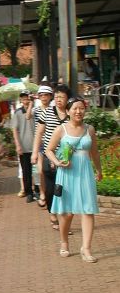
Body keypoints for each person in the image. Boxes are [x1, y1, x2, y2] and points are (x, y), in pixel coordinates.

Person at [45, 95, 102, 261]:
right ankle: (64, 242)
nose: (78, 111)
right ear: (68, 111)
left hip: (85, 173)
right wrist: (57, 162)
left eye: (81, 108)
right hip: (66, 173)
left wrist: (98, 170)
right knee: (66, 213)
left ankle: (86, 248)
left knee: (88, 210)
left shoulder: (89, 129)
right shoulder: (61, 129)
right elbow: (48, 149)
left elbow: (95, 152)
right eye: (75, 108)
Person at [32, 82, 71, 230]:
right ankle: (52, 213)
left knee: (64, 189)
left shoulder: (71, 114)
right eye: (57, 97)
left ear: (68, 99)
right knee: (50, 189)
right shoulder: (47, 112)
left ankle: (63, 222)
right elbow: (39, 133)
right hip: (50, 155)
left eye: (62, 97)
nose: (59, 99)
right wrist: (35, 152)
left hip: (66, 158)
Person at [10, 91, 36, 202]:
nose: (26, 100)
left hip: (35, 145)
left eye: (28, 98)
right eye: (24, 99)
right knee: (26, 171)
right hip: (24, 146)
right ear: (20, 100)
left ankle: (38, 190)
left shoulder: (35, 111)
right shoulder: (17, 113)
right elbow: (14, 129)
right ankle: (29, 192)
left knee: (37, 170)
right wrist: (18, 145)